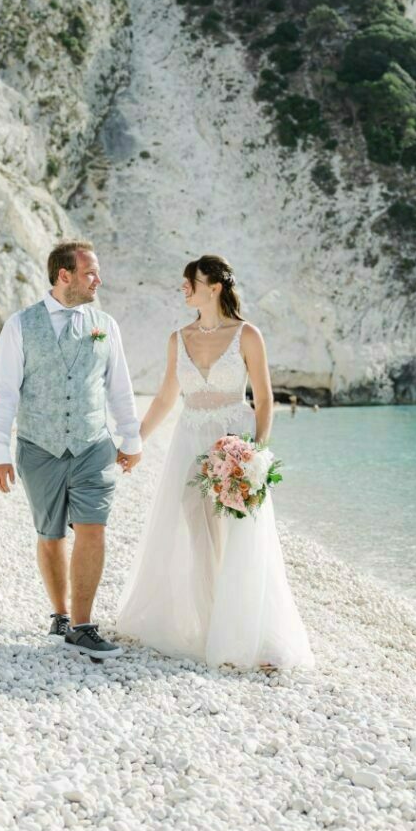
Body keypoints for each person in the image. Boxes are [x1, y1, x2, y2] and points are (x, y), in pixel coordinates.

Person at [117, 255, 314, 670]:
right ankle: (210, 628)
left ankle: (247, 634)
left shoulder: (247, 335)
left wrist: (255, 456)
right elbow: (167, 398)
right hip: (189, 442)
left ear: (214, 287)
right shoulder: (178, 338)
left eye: (192, 280)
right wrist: (134, 442)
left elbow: (264, 399)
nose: (184, 287)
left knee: (242, 537)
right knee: (197, 530)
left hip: (234, 444)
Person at [0, 239, 142, 660]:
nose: (98, 280)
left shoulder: (105, 325)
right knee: (51, 534)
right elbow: (3, 393)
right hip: (39, 447)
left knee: (93, 527)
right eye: (90, 272)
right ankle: (59, 615)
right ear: (64, 276)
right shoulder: (20, 326)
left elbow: (119, 387)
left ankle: (83, 624)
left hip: (94, 444)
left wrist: (132, 438)